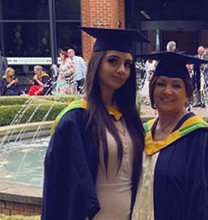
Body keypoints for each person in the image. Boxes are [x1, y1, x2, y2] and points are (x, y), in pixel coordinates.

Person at [41, 27, 149, 220]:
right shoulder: (74, 120)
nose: (121, 70)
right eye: (113, 61)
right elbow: (57, 186)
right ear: (97, 64)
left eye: (127, 64)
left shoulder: (130, 118)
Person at [132, 52, 208, 220]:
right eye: (161, 84)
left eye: (176, 85)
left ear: (188, 94)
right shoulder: (142, 133)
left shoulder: (203, 139)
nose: (167, 91)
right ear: (152, 89)